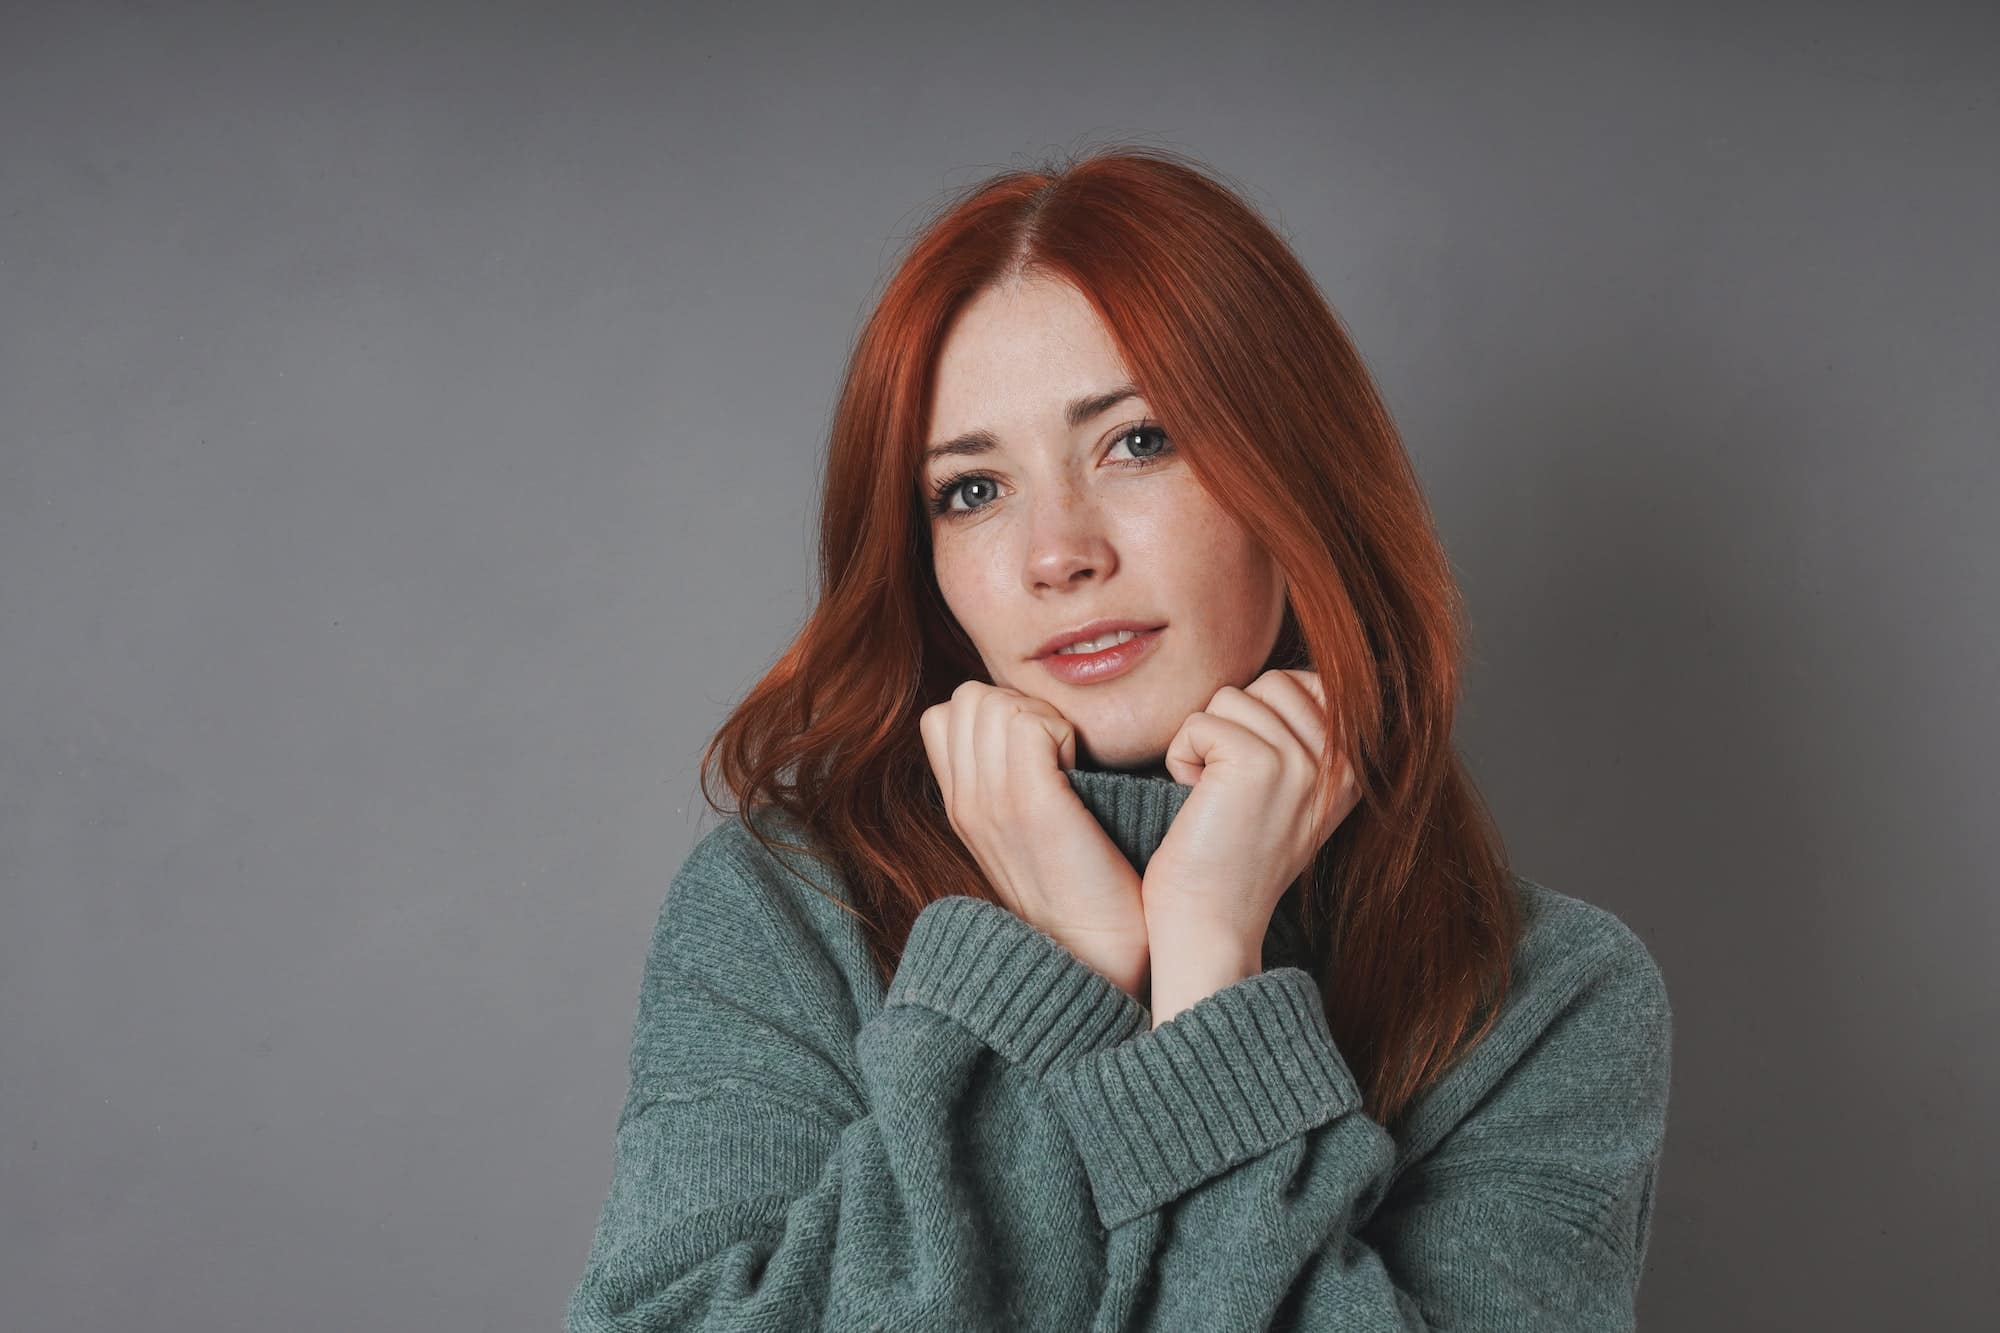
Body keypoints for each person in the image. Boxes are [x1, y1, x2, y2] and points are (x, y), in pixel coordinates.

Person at [565, 145, 1672, 1331]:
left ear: (1293, 477)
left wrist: (1206, 961)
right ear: (926, 562)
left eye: (1136, 442)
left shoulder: (1547, 995)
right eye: (971, 490)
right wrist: (1050, 961)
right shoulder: (785, 909)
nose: (1057, 553)